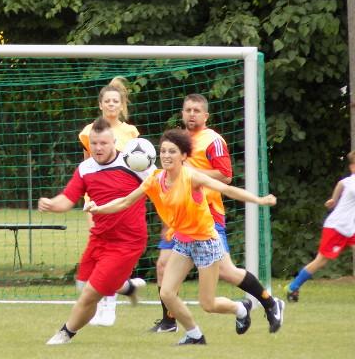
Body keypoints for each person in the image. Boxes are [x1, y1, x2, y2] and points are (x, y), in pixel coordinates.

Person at [86, 128, 277, 345]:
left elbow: (227, 189)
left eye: (172, 151)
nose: (166, 155)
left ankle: (240, 308)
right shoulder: (155, 179)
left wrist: (259, 200)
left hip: (205, 243)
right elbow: (124, 201)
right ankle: (195, 335)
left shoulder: (191, 177)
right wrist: (98, 209)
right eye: (163, 151)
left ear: (184, 155)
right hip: (182, 242)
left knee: (208, 304)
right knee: (167, 293)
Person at [148, 94, 285, 334]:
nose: (191, 114)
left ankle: (270, 303)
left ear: (206, 115)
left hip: (207, 214)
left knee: (226, 271)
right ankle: (169, 321)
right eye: (188, 110)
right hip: (181, 217)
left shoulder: (213, 140)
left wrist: (191, 172)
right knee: (162, 265)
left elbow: (226, 176)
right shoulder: (177, 142)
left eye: (196, 110)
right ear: (182, 113)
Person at [39, 117, 150, 345]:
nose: (98, 148)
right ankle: (128, 287)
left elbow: (164, 186)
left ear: (114, 142)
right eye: (94, 143)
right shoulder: (85, 168)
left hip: (127, 243)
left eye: (103, 143)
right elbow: (67, 200)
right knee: (84, 289)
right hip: (99, 239)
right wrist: (51, 204)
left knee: (90, 294)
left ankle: (65, 333)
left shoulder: (135, 164)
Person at [78, 77, 140, 326]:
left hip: (122, 200)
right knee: (98, 251)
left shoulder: (131, 133)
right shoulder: (89, 132)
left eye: (116, 101)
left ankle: (110, 307)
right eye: (107, 101)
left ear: (121, 104)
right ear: (100, 104)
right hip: (95, 199)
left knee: (113, 254)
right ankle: (101, 304)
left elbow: (137, 168)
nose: (111, 105)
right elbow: (86, 166)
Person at [286, 150, 355, 302]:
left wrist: (334, 199)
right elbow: (343, 184)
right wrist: (334, 200)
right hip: (337, 227)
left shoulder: (348, 182)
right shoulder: (352, 183)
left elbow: (340, 184)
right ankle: (293, 286)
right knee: (321, 261)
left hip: (350, 228)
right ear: (352, 167)